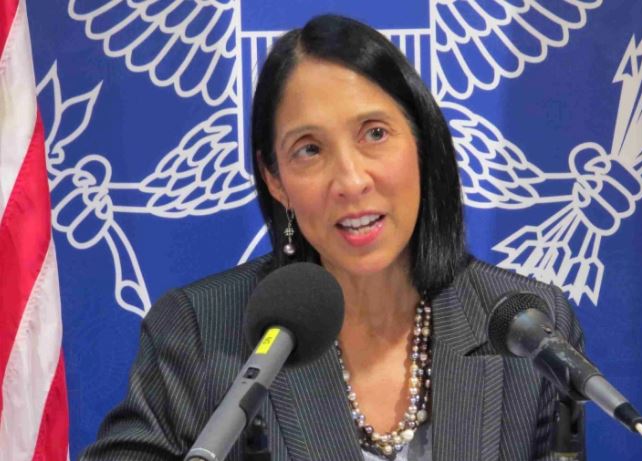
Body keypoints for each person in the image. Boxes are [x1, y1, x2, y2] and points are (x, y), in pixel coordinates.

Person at [80, 15, 584, 461]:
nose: (351, 181)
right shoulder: (198, 333)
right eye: (309, 149)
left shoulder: (528, 329)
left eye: (374, 133)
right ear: (275, 179)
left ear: (423, 143)